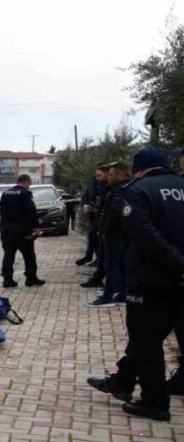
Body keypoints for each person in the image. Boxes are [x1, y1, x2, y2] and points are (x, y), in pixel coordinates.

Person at [87, 148, 184, 421]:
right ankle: (123, 382)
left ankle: (155, 403)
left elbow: (144, 235)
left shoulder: (137, 190)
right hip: (180, 282)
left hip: (151, 278)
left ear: (140, 169)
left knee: (145, 340)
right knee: (151, 335)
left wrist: (177, 261)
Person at [87, 163, 131, 308]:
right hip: (115, 234)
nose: (109, 177)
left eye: (111, 175)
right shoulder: (116, 189)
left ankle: (108, 296)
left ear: (120, 175)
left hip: (114, 235)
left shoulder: (120, 191)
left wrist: (105, 231)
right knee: (120, 265)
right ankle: (122, 294)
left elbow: (113, 215)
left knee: (112, 266)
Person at [0, 175, 45, 288]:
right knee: (29, 255)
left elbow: (1, 210)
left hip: (6, 229)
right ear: (26, 182)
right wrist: (36, 227)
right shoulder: (26, 194)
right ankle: (31, 278)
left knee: (8, 255)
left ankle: (7, 280)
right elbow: (31, 211)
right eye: (29, 184)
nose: (29, 186)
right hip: (22, 230)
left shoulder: (5, 193)